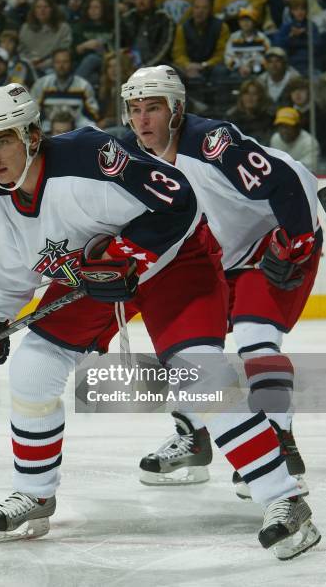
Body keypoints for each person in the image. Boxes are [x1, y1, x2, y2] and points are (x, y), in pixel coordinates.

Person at [0, 82, 245, 550]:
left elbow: (178, 203)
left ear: (30, 135)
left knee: (200, 372)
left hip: (170, 262)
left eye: (2, 140)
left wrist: (126, 256)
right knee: (33, 367)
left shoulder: (89, 155)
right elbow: (7, 285)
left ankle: (278, 487)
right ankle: (35, 493)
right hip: (97, 277)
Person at [119, 65, 322, 560]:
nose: (143, 119)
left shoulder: (211, 143)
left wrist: (295, 241)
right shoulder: (135, 158)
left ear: (177, 109)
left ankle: (279, 438)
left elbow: (284, 185)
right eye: (135, 109)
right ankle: (194, 436)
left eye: (154, 108)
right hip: (219, 250)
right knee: (191, 353)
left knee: (255, 339)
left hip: (275, 237)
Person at [31, 48, 99, 130]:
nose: (61, 66)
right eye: (58, 62)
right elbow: (33, 112)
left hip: (78, 129)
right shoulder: (41, 84)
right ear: (53, 64)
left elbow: (93, 113)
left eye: (65, 62)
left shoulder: (83, 85)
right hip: (47, 128)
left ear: (71, 63)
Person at [172, 0, 230, 82]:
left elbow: (221, 54)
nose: (200, 11)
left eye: (205, 8)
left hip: (211, 67)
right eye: (197, 7)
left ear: (211, 9)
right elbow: (178, 54)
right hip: (188, 67)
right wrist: (187, 65)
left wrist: (204, 65)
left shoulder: (221, 27)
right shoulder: (182, 28)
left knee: (221, 71)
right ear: (192, 9)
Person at [121, 0, 175, 68]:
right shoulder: (127, 18)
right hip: (129, 65)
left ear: (153, 0)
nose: (141, 1)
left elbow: (164, 49)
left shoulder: (164, 19)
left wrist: (146, 67)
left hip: (157, 66)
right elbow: (116, 42)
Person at [18, 0, 72, 76]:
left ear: (52, 9)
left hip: (52, 68)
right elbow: (21, 51)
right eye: (38, 7)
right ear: (34, 10)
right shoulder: (25, 28)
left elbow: (64, 51)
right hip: (28, 66)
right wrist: (29, 63)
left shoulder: (63, 28)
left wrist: (44, 64)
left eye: (46, 7)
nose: (42, 10)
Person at [270, 106, 320, 172]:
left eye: (288, 126)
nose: (284, 131)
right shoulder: (275, 139)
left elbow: (309, 171)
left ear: (298, 127)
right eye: (281, 126)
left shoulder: (310, 142)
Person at [225, 78, 274, 145]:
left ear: (261, 97)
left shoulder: (268, 119)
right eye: (246, 93)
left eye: (254, 94)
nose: (249, 97)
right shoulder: (232, 118)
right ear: (241, 96)